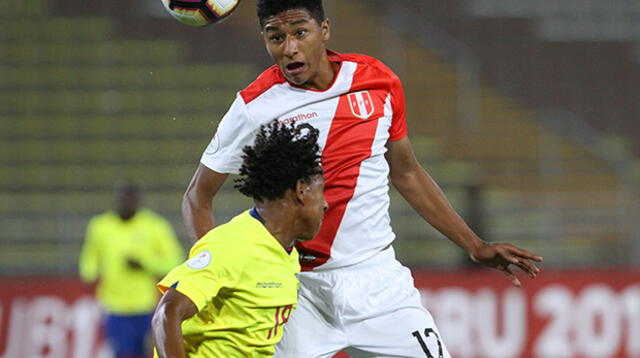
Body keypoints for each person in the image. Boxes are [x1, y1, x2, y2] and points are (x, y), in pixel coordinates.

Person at [181, 0, 543, 357]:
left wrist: (473, 244)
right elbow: (198, 196)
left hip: (377, 282)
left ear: (324, 31)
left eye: (299, 33)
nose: (289, 48)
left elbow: (407, 172)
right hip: (293, 289)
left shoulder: (377, 83)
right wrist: (221, 273)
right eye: (275, 37)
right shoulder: (254, 105)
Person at [152, 121, 327, 358]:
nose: (325, 204)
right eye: (321, 192)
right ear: (301, 190)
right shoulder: (233, 245)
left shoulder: (286, 253)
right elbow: (167, 313)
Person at [79, 181, 184, 358]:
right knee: (123, 353)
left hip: (145, 305)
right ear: (116, 199)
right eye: (123, 198)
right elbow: (88, 262)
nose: (127, 202)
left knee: (148, 352)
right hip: (114, 305)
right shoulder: (100, 227)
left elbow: (175, 261)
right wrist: (90, 274)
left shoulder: (154, 226)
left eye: (131, 198)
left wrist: (145, 264)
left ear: (138, 200)